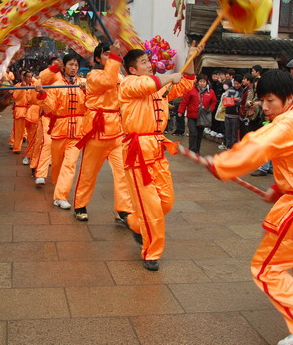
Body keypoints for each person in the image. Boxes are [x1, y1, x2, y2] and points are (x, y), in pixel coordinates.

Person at [206, 70, 293, 345]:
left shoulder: (288, 122)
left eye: (270, 100)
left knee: (267, 268)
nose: (264, 106)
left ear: (289, 98)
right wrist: (279, 188)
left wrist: (223, 165)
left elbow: (258, 144)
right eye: (261, 99)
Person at [119, 44, 198, 271]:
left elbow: (186, 82)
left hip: (156, 148)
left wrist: (192, 56)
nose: (149, 64)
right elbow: (150, 83)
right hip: (137, 152)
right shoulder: (129, 83)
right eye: (143, 62)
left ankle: (134, 223)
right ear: (132, 70)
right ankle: (151, 252)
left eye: (148, 60)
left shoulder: (157, 86)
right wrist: (170, 75)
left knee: (166, 201)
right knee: (151, 207)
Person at [72, 41, 136, 225]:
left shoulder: (119, 75)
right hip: (96, 132)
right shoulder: (93, 75)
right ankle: (80, 205)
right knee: (88, 173)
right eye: (106, 54)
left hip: (117, 131)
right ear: (98, 58)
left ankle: (123, 210)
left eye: (112, 54)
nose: (111, 56)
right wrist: (116, 58)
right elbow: (108, 80)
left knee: (123, 173)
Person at [35, 55, 86, 209]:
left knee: (70, 165)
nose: (74, 68)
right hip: (59, 128)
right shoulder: (56, 85)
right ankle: (59, 188)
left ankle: (61, 196)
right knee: (57, 165)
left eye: (76, 65)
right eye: (71, 64)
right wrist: (42, 94)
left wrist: (88, 92)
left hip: (77, 131)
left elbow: (92, 104)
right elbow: (50, 108)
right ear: (64, 67)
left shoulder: (84, 84)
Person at [178, 74, 217, 154]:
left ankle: (197, 150)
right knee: (193, 132)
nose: (202, 83)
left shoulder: (211, 92)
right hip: (192, 115)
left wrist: (210, 109)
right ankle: (192, 150)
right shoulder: (191, 90)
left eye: (204, 82)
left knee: (199, 134)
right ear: (197, 82)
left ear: (207, 82)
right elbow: (184, 101)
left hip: (202, 116)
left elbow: (214, 101)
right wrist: (180, 111)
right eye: (201, 81)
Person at [10, 70, 33, 153]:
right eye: (28, 76)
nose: (29, 78)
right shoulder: (18, 85)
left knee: (31, 132)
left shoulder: (33, 86)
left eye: (31, 77)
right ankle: (17, 148)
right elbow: (15, 97)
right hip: (20, 110)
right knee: (18, 131)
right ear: (24, 77)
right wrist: (21, 89)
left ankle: (30, 149)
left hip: (30, 111)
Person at [224, 74, 243, 149]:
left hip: (236, 115)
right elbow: (225, 100)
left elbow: (240, 102)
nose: (236, 85)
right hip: (227, 113)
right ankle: (227, 147)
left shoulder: (242, 91)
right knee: (227, 133)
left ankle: (233, 149)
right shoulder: (230, 89)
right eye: (235, 83)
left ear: (241, 83)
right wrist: (234, 100)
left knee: (234, 134)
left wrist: (232, 101)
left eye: (238, 84)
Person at [239, 73, 255, 138]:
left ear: (249, 81)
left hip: (246, 113)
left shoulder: (250, 90)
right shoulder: (246, 89)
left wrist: (244, 112)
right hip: (242, 112)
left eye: (244, 79)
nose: (242, 80)